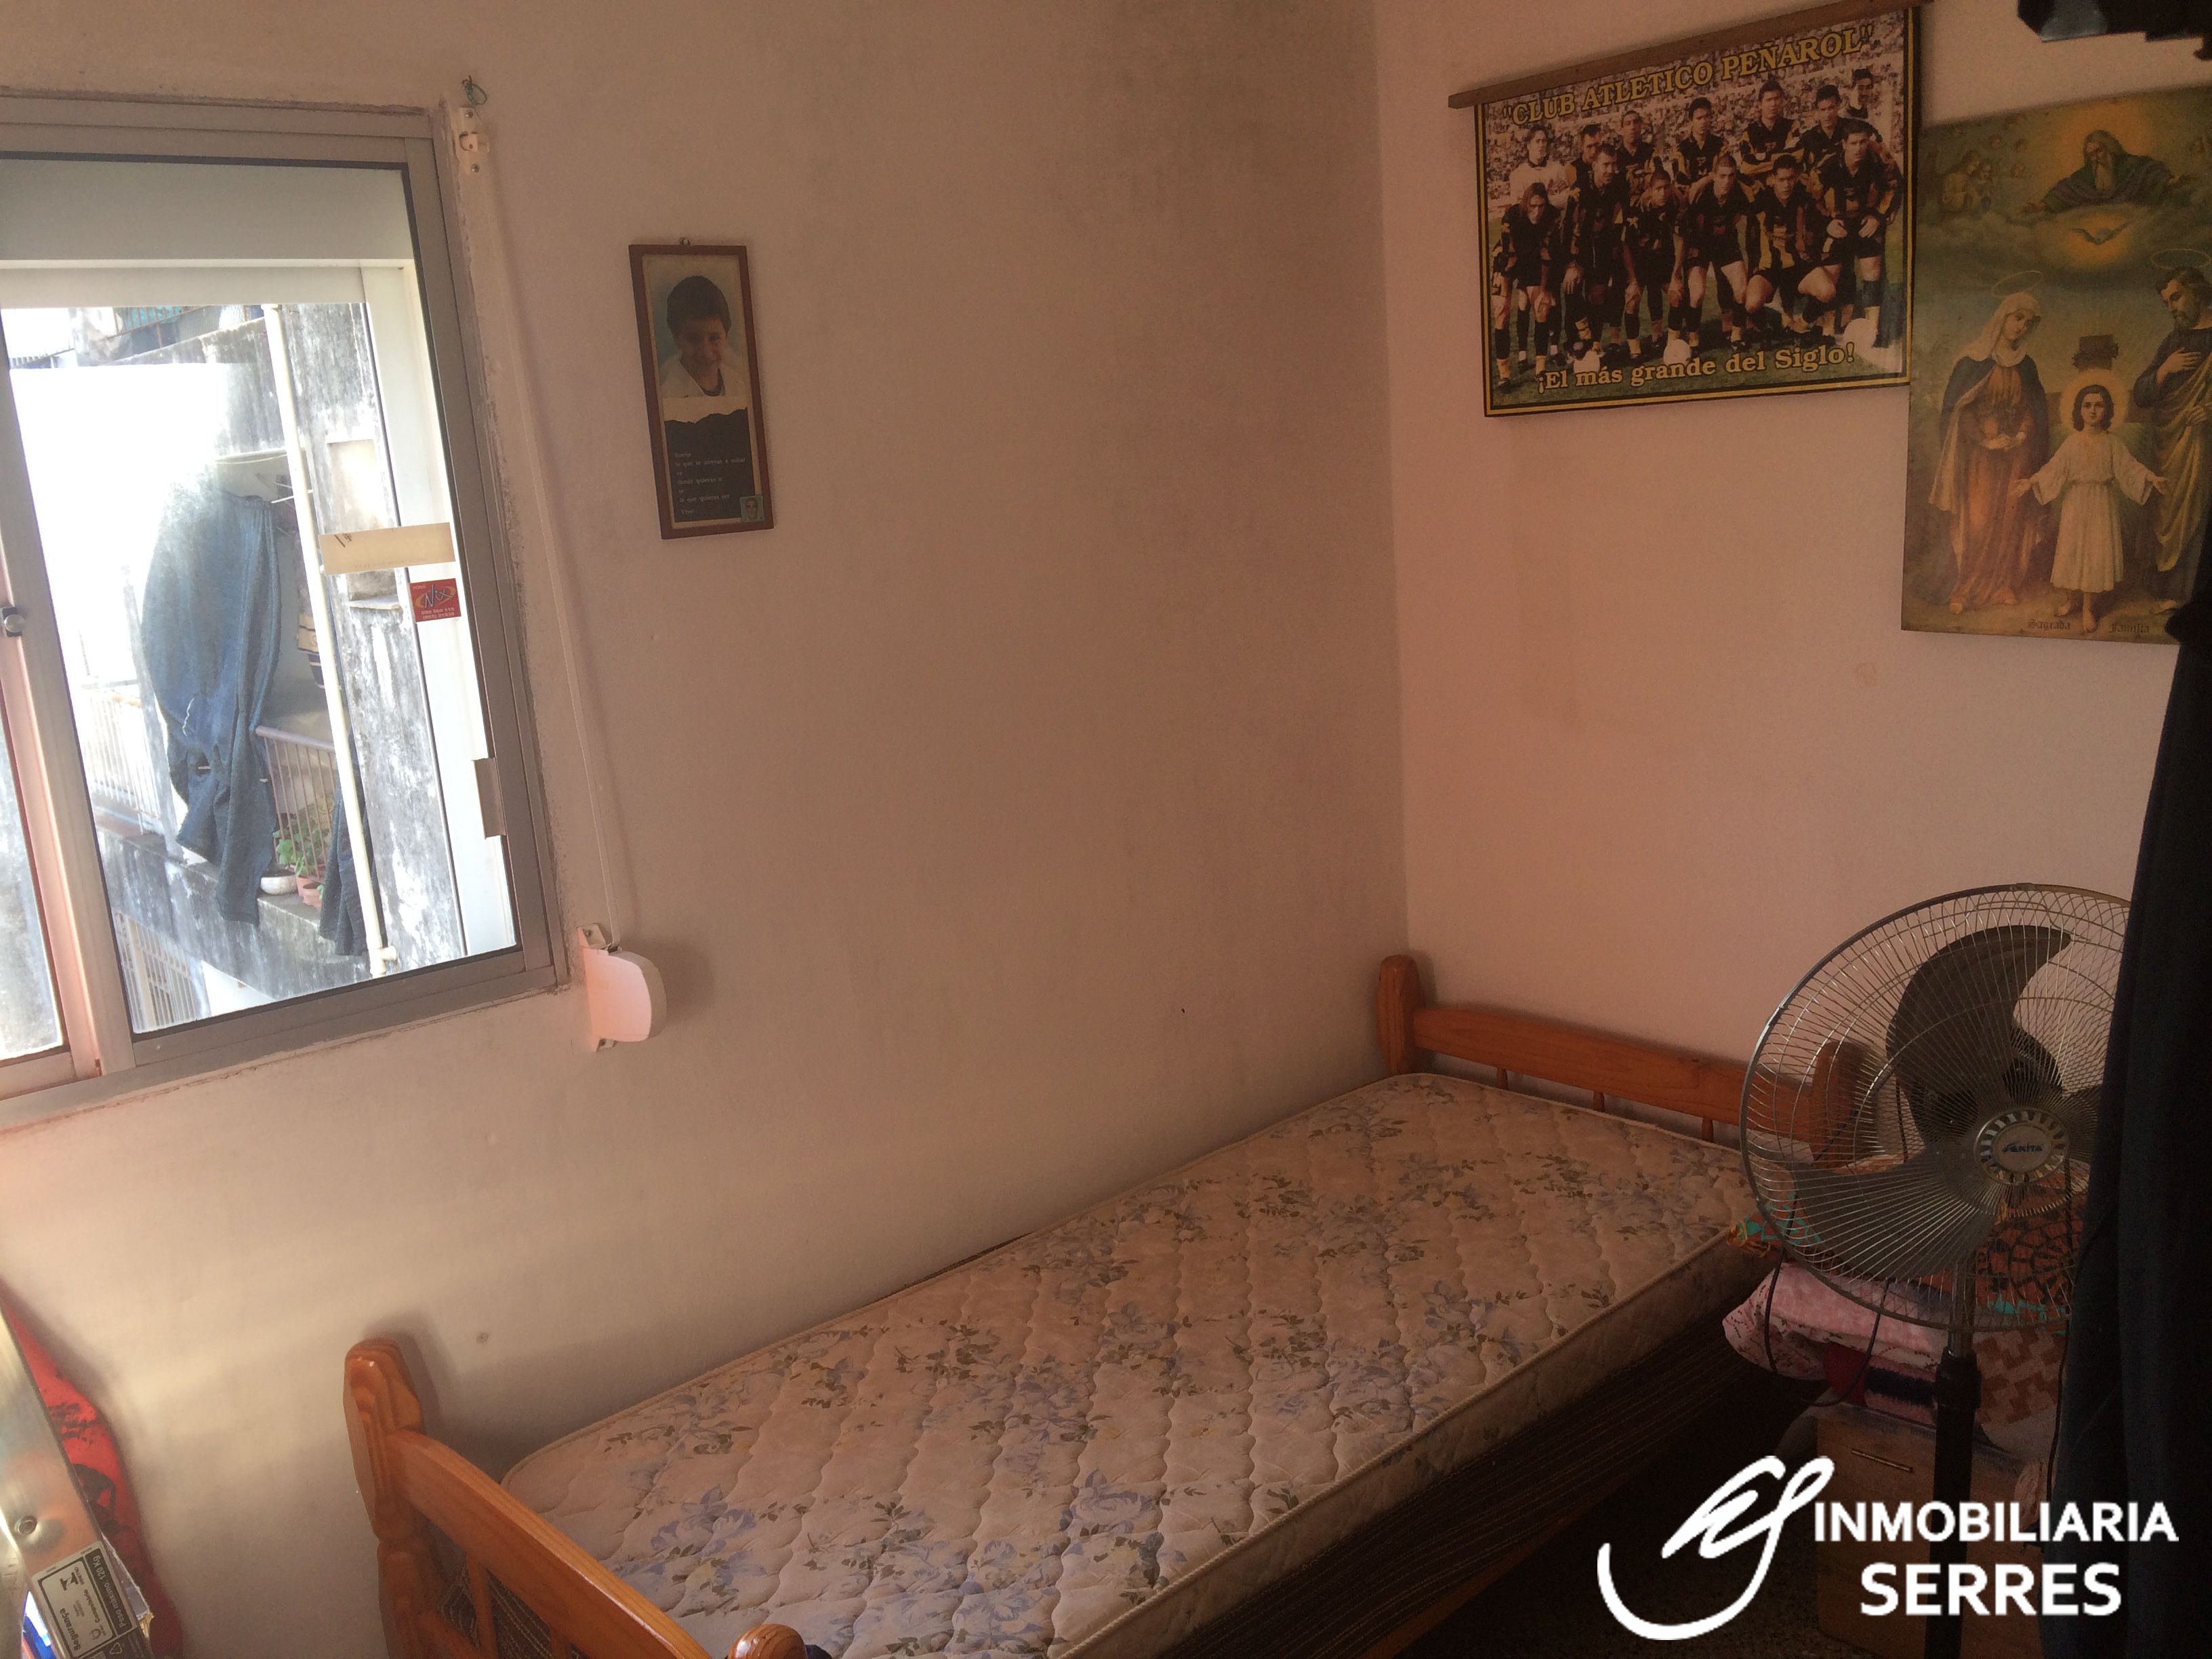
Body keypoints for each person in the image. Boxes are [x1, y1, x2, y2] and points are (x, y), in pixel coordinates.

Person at [1931, 291, 2051, 613]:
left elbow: (2034, 411)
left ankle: (2002, 585)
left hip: (2016, 456)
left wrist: (2022, 434)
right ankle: (1964, 587)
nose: (2022, 327)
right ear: (2003, 317)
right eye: (2018, 318)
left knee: (2010, 520)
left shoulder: (2027, 366)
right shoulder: (1973, 361)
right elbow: (1958, 412)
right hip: (1980, 458)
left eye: (2028, 322)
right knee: (1978, 522)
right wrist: (1985, 441)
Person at [2013, 383, 2165, 634]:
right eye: (2087, 406)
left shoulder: (2113, 443)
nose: (2093, 410)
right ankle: (2072, 600)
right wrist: (2031, 482)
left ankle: (2089, 608)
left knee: (2095, 554)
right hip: (2076, 503)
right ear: (2080, 410)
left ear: (2107, 410)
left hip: (2101, 504)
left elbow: (2130, 468)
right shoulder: (2072, 442)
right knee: (2072, 552)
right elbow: (2055, 468)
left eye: (2099, 405)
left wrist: (2151, 478)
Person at [2129, 266, 2212, 608]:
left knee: (2200, 511)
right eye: (2166, 303)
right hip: (2169, 445)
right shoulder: (2173, 343)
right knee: (2169, 514)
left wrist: (2210, 410)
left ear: (2197, 292)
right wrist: (2164, 370)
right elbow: (2141, 394)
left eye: (2176, 298)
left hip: (2205, 444)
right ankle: (2172, 589)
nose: (2172, 308)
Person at [1816, 123, 1899, 337]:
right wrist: (1826, 222)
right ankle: (1828, 328)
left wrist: (1878, 217)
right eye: (1853, 143)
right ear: (1844, 144)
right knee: (1831, 273)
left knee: (1872, 268)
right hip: (1838, 222)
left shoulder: (1878, 158)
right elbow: (1811, 199)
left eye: (1863, 142)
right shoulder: (1828, 163)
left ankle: (1872, 330)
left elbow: (1894, 186)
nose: (1859, 148)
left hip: (1866, 220)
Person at [1676, 150, 1755, 352]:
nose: (1727, 181)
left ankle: (1736, 334)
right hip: (1699, 243)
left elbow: (1743, 211)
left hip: (1725, 242)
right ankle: (1693, 336)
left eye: (1731, 176)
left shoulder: (1738, 193)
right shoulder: (1702, 192)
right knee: (1697, 293)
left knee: (1741, 288)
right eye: (1722, 176)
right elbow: (1688, 198)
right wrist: (1706, 180)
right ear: (1714, 176)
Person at [1562, 144, 1635, 363]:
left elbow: (1621, 222)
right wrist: (1571, 264)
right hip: (1580, 247)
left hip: (1603, 247)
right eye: (1605, 165)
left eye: (1614, 165)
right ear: (1594, 165)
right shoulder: (1580, 190)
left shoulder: (1619, 186)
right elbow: (1568, 229)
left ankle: (1594, 343)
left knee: (1598, 296)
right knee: (1572, 287)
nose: (1610, 170)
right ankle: (1575, 343)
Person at [1745, 155, 1828, 338]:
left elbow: (1817, 232)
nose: (1786, 185)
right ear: (1772, 178)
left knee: (1827, 291)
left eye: (1790, 179)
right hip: (1770, 267)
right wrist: (1753, 274)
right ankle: (1765, 327)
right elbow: (1751, 243)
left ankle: (1801, 324)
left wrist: (1814, 261)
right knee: (1752, 302)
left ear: (1797, 177)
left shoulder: (1804, 200)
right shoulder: (1761, 202)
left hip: (1799, 264)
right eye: (1781, 180)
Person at [1491, 182, 1563, 382]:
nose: (1537, 211)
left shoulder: (1551, 216)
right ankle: (1504, 375)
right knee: (1501, 312)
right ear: (1526, 204)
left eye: (1541, 206)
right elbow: (1507, 258)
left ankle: (1540, 369)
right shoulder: (1512, 216)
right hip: (1506, 260)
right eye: (1533, 206)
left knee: (1542, 307)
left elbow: (1546, 256)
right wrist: (1504, 294)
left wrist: (1544, 290)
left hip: (1533, 261)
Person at [2024, 129, 2174, 213]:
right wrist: (2041, 207)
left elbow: (2150, 173)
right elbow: (2066, 190)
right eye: (2091, 155)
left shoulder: (2130, 164)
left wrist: (2169, 182)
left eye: (2099, 151)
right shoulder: (2086, 174)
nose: (2095, 158)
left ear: (2110, 148)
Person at [657, 274, 745, 407]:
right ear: (676, 338)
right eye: (694, 339)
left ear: (727, 336)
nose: (705, 352)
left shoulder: (738, 385)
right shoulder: (667, 394)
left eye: (714, 338)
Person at [1624, 169, 1682, 362]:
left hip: (1663, 260)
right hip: (1639, 263)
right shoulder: (1637, 210)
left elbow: (1681, 240)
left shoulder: (1675, 205)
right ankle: (1634, 350)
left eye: (1666, 188)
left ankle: (1672, 345)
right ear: (1650, 190)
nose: (1663, 193)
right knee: (1632, 300)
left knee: (1677, 294)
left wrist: (1676, 276)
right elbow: (1626, 247)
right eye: (1658, 189)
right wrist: (1633, 280)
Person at [1737, 79, 1798, 189]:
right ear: (1760, 105)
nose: (1773, 104)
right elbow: (1747, 166)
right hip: (1761, 188)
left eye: (1776, 99)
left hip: (1787, 186)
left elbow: (1796, 156)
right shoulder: (1749, 132)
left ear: (1782, 101)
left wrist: (1761, 157)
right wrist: (1782, 155)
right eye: (1769, 100)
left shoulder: (1792, 126)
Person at [1505, 127, 1577, 217]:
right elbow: (1519, 207)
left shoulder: (1558, 169)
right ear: (1528, 145)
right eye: (1537, 141)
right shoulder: (1518, 175)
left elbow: (1566, 201)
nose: (1541, 145)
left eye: (1544, 141)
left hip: (1553, 222)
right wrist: (1551, 197)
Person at [1671, 97, 1727, 190]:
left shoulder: (1720, 144)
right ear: (1691, 120)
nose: (1703, 122)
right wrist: (1705, 181)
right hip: (1691, 194)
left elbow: (1726, 174)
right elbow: (1680, 182)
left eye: (1707, 117)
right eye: (1699, 118)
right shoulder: (1682, 149)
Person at [1798, 83, 1848, 182]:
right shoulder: (1808, 137)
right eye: (1823, 110)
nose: (1827, 114)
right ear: (1817, 110)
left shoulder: (1850, 129)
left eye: (1831, 108)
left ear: (1838, 105)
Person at [1617, 107, 1661, 194]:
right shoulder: (1616, 156)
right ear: (1622, 129)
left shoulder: (1651, 151)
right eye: (1628, 124)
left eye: (1636, 122)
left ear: (1641, 126)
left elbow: (1661, 178)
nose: (1633, 127)